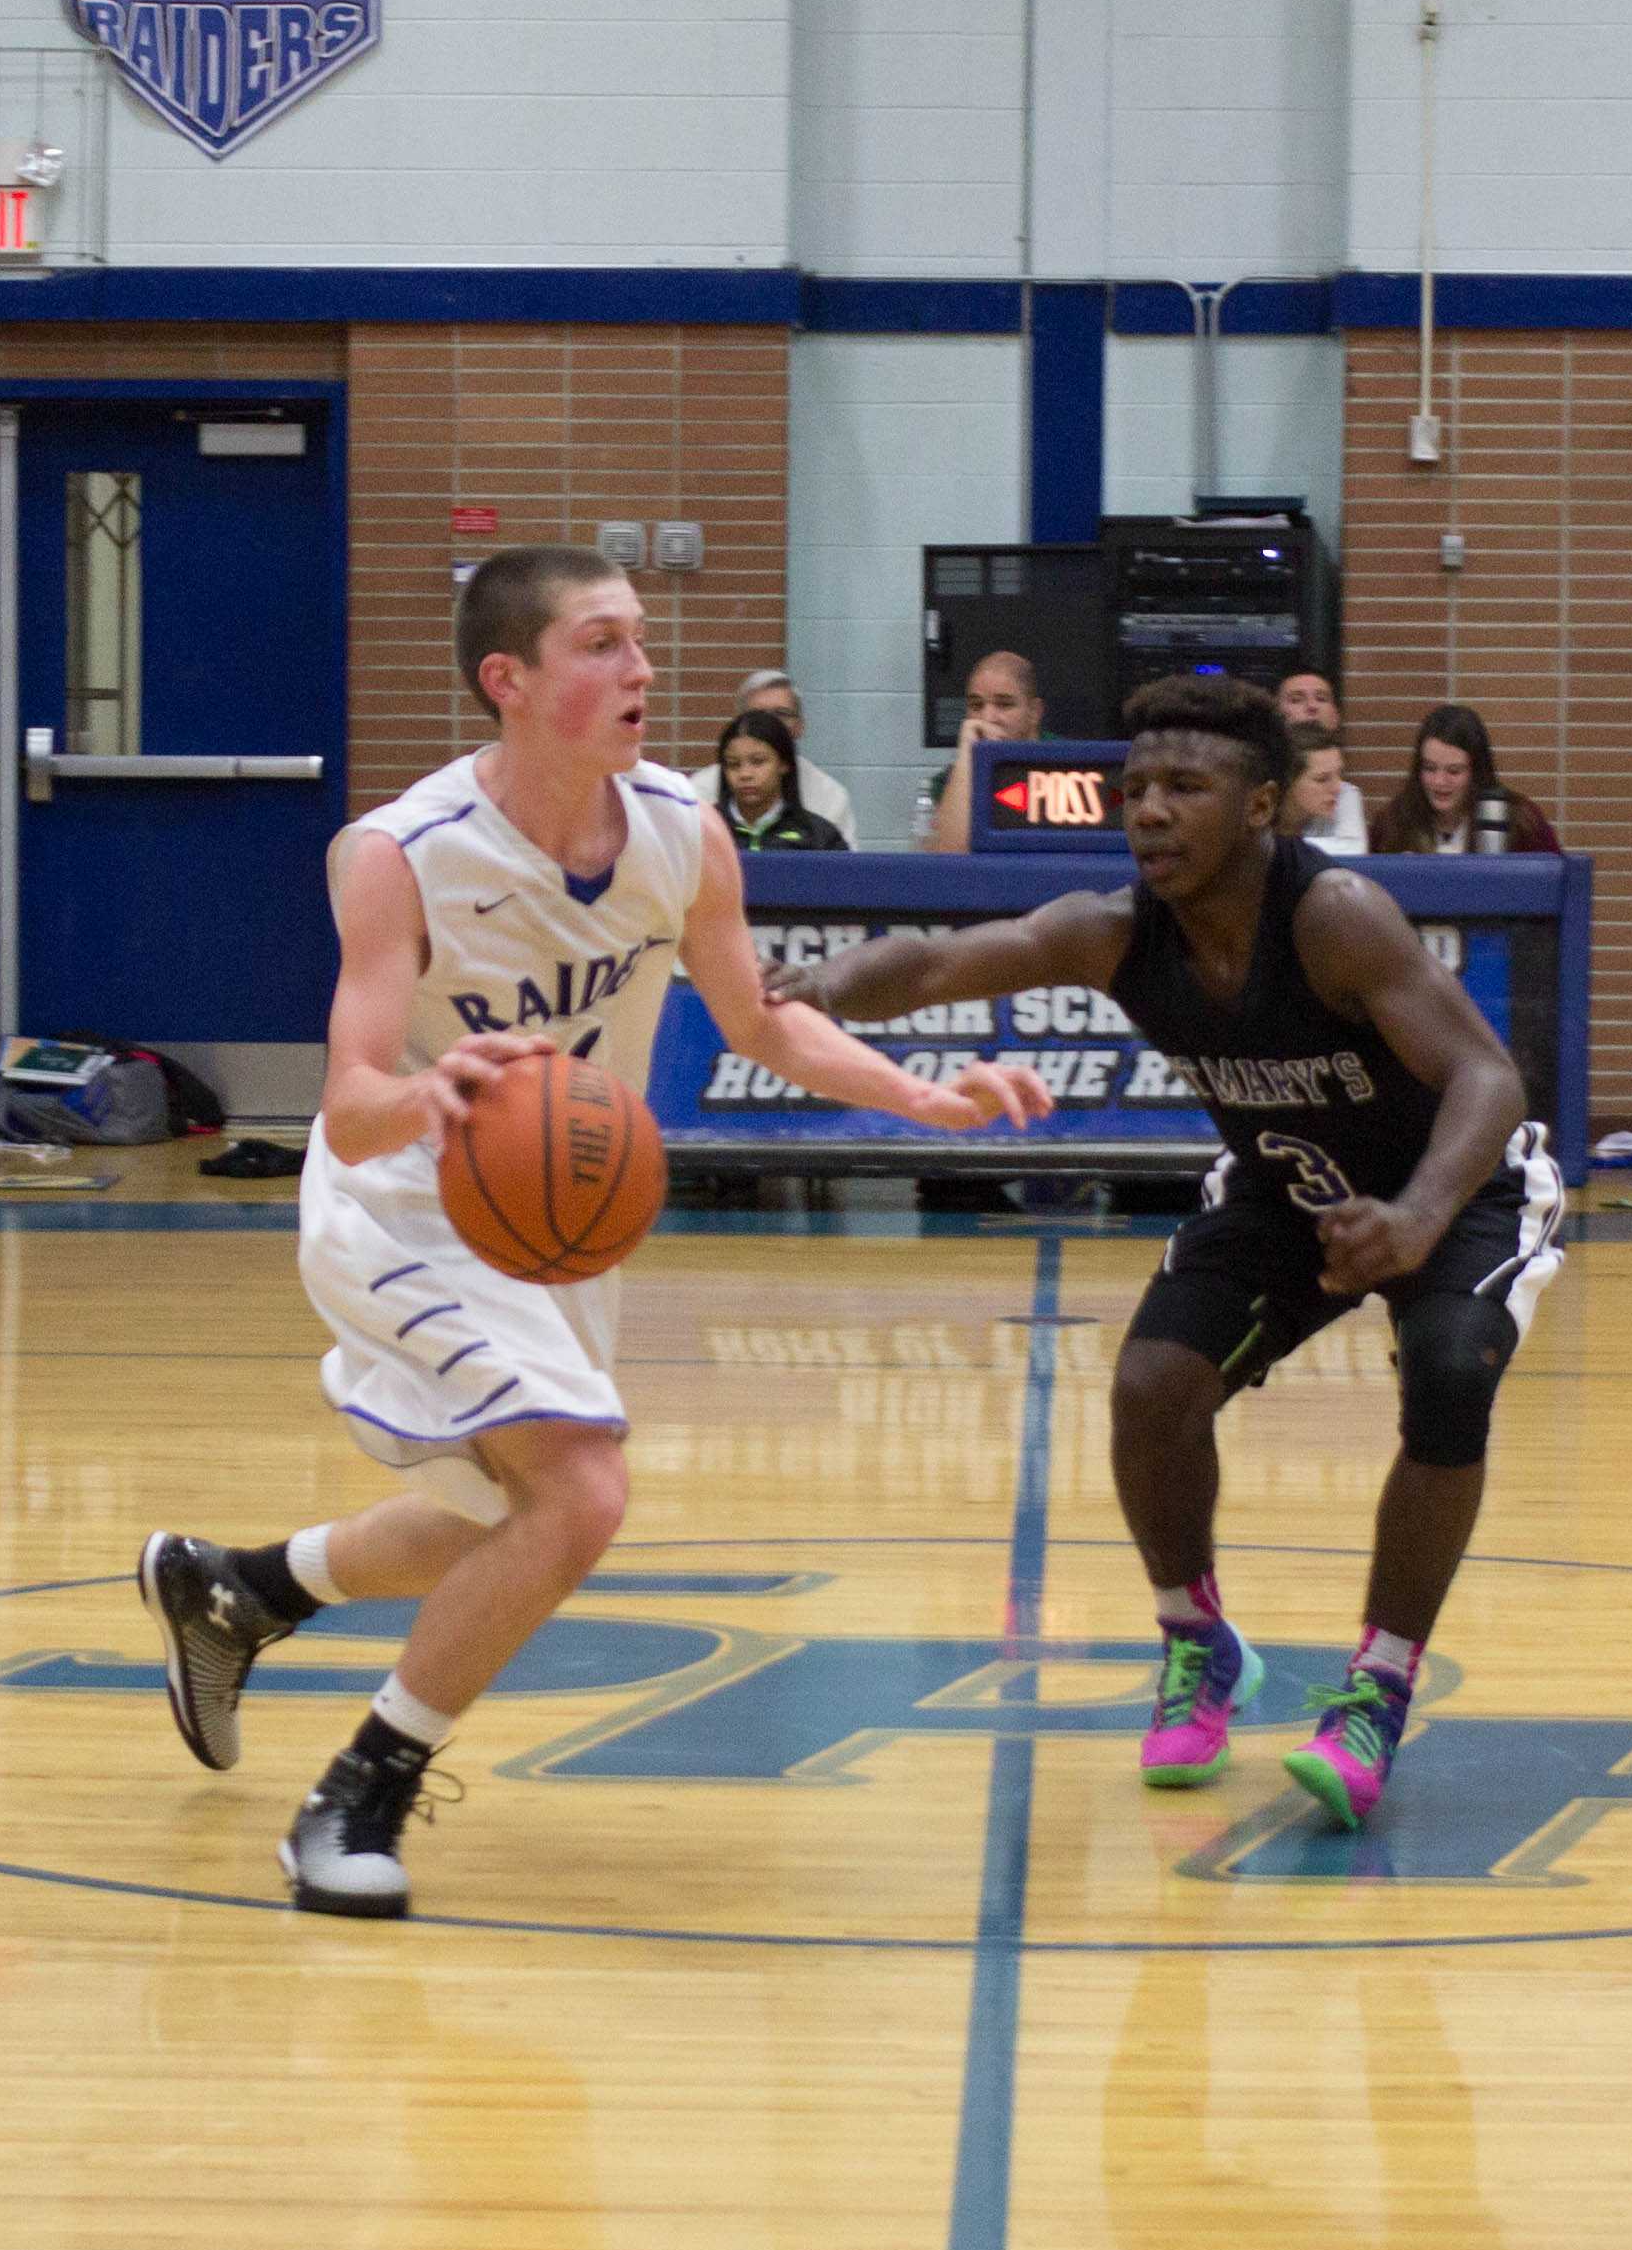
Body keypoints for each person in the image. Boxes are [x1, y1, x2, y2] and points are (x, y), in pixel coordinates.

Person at [132, 547, 1052, 1920]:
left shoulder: (683, 829)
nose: (642, 671)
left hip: (548, 1229)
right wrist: (428, 1094)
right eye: (603, 646)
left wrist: (920, 1092)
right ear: (510, 679)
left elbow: (756, 1019)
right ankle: (354, 1800)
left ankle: (244, 1588)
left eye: (639, 642)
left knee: (505, 1525)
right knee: (582, 1493)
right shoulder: (403, 856)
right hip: (400, 1205)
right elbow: (350, 1095)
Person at [777, 674, 1558, 1830]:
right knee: (1151, 1385)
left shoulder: (1334, 914)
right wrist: (821, 988)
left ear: (1259, 808)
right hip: (1293, 1186)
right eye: (1133, 786)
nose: (1147, 809)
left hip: (1462, 1180)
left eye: (1184, 786)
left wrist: (1418, 1219)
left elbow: (1489, 1078)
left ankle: (1377, 1690)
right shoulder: (1113, 932)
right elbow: (945, 963)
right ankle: (1200, 1644)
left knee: (1447, 1374)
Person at [1369, 704, 1558, 855]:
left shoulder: (1520, 822)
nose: (1439, 782)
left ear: (1476, 772)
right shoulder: (1393, 824)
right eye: (1429, 768)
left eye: (1453, 771)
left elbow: (1557, 883)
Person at [920, 650, 1046, 852]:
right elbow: (947, 859)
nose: (987, 717)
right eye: (976, 705)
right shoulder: (953, 778)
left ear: (1034, 712)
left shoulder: (1071, 761)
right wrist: (965, 758)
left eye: (1004, 704)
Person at [731, 671, 856, 836]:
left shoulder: (830, 796)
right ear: (738, 724)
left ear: (799, 726)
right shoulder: (704, 790)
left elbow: (841, 862)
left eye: (781, 714)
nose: (771, 724)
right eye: (758, 715)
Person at [709, 707, 848, 852]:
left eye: (758, 761)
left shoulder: (819, 836)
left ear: (783, 764)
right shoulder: (703, 830)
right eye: (733, 764)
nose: (745, 774)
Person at [1278, 670, 1374, 848]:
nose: (1312, 707)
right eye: (1296, 699)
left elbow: (1352, 851)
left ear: (1336, 716)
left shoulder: (1345, 794)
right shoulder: (1255, 803)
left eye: (1321, 698)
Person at [1286, 722, 1363, 856]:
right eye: (1322, 779)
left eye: (1340, 774)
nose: (1338, 788)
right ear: (1287, 782)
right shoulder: (1259, 820)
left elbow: (1354, 849)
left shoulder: (1346, 793)